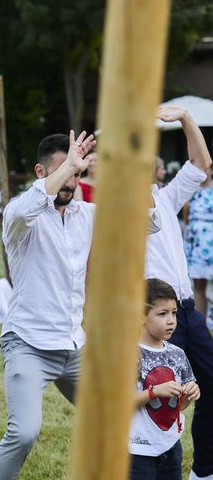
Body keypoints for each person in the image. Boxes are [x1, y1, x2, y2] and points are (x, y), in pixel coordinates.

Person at [0, 130, 98, 480]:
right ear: (40, 172)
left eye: (77, 174)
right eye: (64, 171)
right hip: (29, 343)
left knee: (116, 419)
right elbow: (29, 206)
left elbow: (148, 222)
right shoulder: (19, 214)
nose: (71, 181)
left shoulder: (87, 215)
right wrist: (69, 167)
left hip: (75, 346)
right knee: (24, 433)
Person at [145, 105, 213, 480]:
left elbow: (202, 164)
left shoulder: (167, 199)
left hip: (188, 312)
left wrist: (186, 118)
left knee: (212, 385)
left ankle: (203, 472)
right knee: (158, 400)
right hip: (153, 318)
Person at [129, 279, 200, 480]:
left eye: (174, 313)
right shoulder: (128, 354)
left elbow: (177, 406)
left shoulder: (177, 354)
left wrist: (189, 393)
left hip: (170, 446)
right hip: (137, 450)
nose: (171, 320)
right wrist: (154, 392)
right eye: (162, 314)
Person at [183, 167, 213, 318]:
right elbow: (186, 216)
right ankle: (201, 322)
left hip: (211, 242)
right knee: (199, 285)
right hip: (196, 243)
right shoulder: (192, 191)